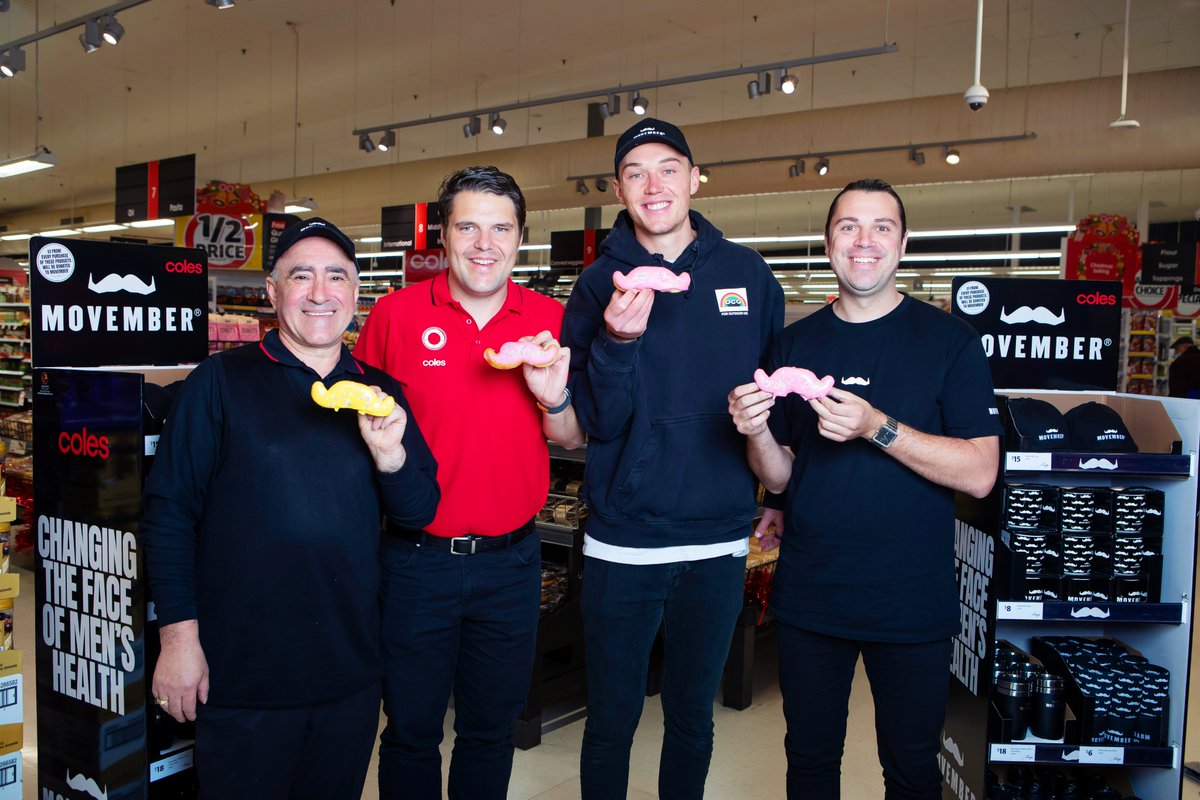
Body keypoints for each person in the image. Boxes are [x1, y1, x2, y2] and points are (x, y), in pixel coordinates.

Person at [142, 217, 440, 799]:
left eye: (336, 277)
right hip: (243, 673)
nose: (320, 293)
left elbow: (419, 511)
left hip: (348, 671)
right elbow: (169, 512)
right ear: (273, 293)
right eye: (300, 276)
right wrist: (179, 642)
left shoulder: (382, 393)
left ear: (356, 294)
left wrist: (390, 456)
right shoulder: (220, 382)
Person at [727, 178, 1001, 799]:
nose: (864, 241)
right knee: (810, 763)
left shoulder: (948, 342)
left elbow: (981, 471)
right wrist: (756, 434)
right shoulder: (795, 343)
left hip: (910, 600)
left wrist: (878, 427)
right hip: (812, 595)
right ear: (828, 243)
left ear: (903, 244)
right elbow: (780, 475)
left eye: (881, 227)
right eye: (848, 226)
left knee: (910, 772)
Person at [561, 118, 784, 799]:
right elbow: (591, 422)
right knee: (612, 720)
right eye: (635, 172)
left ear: (694, 177)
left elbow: (778, 397)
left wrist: (775, 496)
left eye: (667, 168)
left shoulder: (746, 273)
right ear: (620, 190)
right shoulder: (599, 285)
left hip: (717, 539)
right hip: (623, 541)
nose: (653, 184)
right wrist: (616, 345)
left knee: (692, 716)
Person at [354, 165, 584, 800]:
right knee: (410, 731)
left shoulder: (549, 320)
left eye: (501, 229)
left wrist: (554, 395)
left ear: (519, 238)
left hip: (512, 565)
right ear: (443, 237)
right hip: (413, 561)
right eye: (469, 227)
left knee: (489, 731)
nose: (486, 244)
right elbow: (358, 435)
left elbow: (569, 436)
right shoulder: (395, 317)